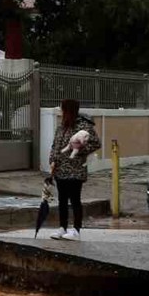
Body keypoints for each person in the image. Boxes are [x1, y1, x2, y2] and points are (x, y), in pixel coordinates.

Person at [48, 99, 101, 241]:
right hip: (60, 170)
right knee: (62, 200)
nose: (61, 111)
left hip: (75, 170)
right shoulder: (61, 127)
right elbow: (55, 146)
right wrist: (52, 160)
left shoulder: (83, 126)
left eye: (63, 108)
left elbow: (96, 143)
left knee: (75, 200)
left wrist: (80, 150)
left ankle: (76, 230)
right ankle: (62, 227)